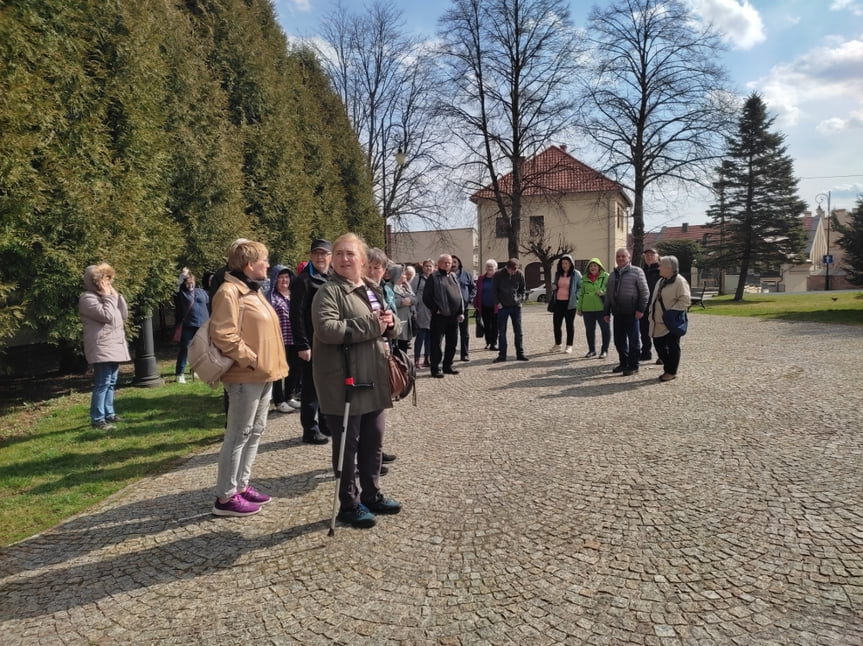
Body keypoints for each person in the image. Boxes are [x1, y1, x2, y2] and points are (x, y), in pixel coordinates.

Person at [312, 233, 402, 528]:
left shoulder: (372, 288)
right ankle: (349, 504)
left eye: (351, 254)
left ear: (363, 260)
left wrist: (391, 325)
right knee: (348, 445)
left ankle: (371, 495)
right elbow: (327, 329)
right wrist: (372, 325)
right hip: (343, 381)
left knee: (373, 442)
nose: (344, 258)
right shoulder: (329, 292)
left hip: (373, 376)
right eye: (339, 253)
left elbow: (390, 324)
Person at [209, 240, 288, 517]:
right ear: (249, 264)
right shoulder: (230, 292)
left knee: (255, 431)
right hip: (245, 375)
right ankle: (225, 496)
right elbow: (223, 333)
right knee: (238, 433)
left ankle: (241, 486)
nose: (268, 264)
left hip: (263, 374)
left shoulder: (252, 291)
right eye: (264, 260)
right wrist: (250, 358)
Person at [79, 263, 132, 430]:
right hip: (101, 347)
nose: (108, 283)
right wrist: (108, 296)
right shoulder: (87, 298)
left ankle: (109, 414)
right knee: (102, 382)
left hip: (113, 345)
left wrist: (115, 294)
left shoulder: (108, 296)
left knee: (111, 381)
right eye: (105, 280)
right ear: (96, 282)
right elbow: (107, 316)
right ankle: (98, 419)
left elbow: (123, 314)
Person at [290, 239, 333, 444]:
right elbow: (296, 315)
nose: (320, 257)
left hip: (328, 343)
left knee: (326, 385)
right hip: (311, 343)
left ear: (330, 257)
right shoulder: (304, 281)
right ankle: (310, 429)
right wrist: (302, 344)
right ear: (311, 256)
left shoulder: (331, 278)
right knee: (310, 388)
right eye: (316, 253)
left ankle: (326, 423)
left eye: (324, 253)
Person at [603, 248, 649, 376]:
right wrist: (606, 312)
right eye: (618, 256)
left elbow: (645, 292)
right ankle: (623, 363)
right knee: (619, 340)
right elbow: (608, 295)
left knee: (634, 340)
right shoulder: (612, 275)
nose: (621, 258)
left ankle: (633, 365)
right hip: (617, 313)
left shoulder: (637, 272)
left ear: (628, 258)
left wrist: (641, 309)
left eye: (623, 256)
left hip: (632, 313)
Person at [648, 255, 691, 382]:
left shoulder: (680, 281)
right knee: (658, 345)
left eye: (661, 265)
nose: (659, 267)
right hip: (658, 322)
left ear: (669, 268)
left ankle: (671, 371)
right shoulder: (661, 280)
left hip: (670, 322)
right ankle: (668, 368)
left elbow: (685, 300)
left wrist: (671, 313)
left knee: (673, 346)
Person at [422, 254, 465, 378]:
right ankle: (435, 368)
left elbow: (459, 295)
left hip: (453, 316)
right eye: (444, 262)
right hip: (439, 316)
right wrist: (436, 309)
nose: (447, 265)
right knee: (436, 343)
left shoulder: (453, 276)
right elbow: (426, 297)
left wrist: (461, 311)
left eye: (449, 263)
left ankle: (448, 366)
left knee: (452, 343)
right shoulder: (433, 277)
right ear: (439, 264)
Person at [268, 265, 301, 413]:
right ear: (275, 279)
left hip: (295, 338)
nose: (284, 280)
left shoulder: (294, 294)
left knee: (293, 369)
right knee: (278, 371)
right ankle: (279, 400)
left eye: (286, 277)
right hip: (279, 339)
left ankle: (289, 396)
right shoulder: (272, 297)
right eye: (281, 277)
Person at [173, 269, 209, 383]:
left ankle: (196, 370)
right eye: (187, 283)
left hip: (202, 324)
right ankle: (180, 373)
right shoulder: (182, 293)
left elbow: (208, 304)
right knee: (185, 348)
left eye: (191, 282)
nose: (190, 285)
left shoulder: (201, 292)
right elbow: (176, 287)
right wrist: (182, 276)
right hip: (188, 325)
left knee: (199, 349)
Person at [492, 259, 528, 363]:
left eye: (515, 271)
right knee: (502, 332)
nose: (513, 272)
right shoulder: (498, 274)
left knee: (518, 331)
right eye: (512, 270)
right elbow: (494, 290)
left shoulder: (519, 274)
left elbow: (523, 289)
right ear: (507, 267)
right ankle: (502, 355)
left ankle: (520, 354)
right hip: (503, 307)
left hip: (516, 307)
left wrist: (520, 300)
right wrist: (497, 303)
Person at [576, 258, 611, 359]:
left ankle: (604, 350)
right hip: (587, 309)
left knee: (605, 329)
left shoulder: (606, 276)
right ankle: (592, 350)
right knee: (589, 330)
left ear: (599, 267)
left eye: (595, 265)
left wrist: (603, 292)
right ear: (588, 268)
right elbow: (581, 294)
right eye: (591, 266)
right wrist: (579, 308)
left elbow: (610, 290)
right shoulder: (584, 278)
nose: (593, 268)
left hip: (602, 308)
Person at [548, 254, 582, 354]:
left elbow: (581, 286)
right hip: (558, 302)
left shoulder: (576, 274)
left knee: (569, 325)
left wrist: (576, 296)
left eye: (566, 263)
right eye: (562, 263)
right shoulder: (558, 273)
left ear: (571, 264)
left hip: (570, 303)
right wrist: (554, 286)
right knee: (556, 325)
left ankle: (569, 346)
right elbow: (555, 284)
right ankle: (557, 344)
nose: (564, 265)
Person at [451, 254, 476, 361]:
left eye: (455, 262)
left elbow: (473, 289)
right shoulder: (446, 275)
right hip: (450, 309)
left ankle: (464, 354)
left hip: (464, 308)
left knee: (464, 333)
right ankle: (450, 354)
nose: (453, 264)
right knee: (452, 333)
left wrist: (469, 299)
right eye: (451, 262)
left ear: (459, 263)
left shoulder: (466, 275)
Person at [410, 259, 435, 370]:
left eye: (430, 266)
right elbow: (412, 295)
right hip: (420, 310)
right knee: (421, 336)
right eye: (426, 266)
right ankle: (416, 359)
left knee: (430, 336)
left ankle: (427, 358)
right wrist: (414, 310)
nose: (428, 268)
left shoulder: (435, 279)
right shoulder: (417, 279)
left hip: (431, 311)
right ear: (423, 267)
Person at [639, 247, 661, 362]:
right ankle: (646, 352)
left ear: (657, 256)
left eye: (652, 254)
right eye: (647, 255)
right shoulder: (641, 271)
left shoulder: (662, 270)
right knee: (644, 331)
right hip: (644, 305)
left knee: (659, 331)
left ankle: (662, 355)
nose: (649, 257)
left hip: (658, 306)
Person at [473, 259, 499, 351]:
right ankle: (488, 342)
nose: (489, 268)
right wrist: (475, 304)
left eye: (491, 266)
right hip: (484, 306)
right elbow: (476, 292)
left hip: (496, 306)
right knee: (487, 325)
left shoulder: (498, 278)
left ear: (495, 268)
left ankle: (494, 343)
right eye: (488, 266)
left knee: (495, 326)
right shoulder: (481, 279)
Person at [393, 264, 416, 355]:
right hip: (397, 321)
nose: (404, 276)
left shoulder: (406, 286)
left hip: (406, 321)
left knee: (403, 350)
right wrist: (402, 302)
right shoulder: (390, 286)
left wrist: (410, 300)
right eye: (402, 274)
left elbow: (415, 298)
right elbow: (388, 302)